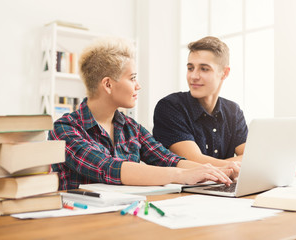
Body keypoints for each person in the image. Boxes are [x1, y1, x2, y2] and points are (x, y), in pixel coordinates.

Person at [48, 37, 239, 190]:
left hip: (127, 218)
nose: (138, 86)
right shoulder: (64, 129)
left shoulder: (131, 127)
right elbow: (109, 168)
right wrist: (182, 176)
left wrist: (219, 171)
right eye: (132, 78)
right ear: (108, 84)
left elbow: (167, 160)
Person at [153, 36, 248, 167]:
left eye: (204, 69)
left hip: (221, 186)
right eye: (190, 68)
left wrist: (236, 165)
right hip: (183, 187)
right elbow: (194, 161)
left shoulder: (233, 111)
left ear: (225, 73)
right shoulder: (170, 107)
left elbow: (251, 158)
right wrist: (237, 165)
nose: (193, 76)